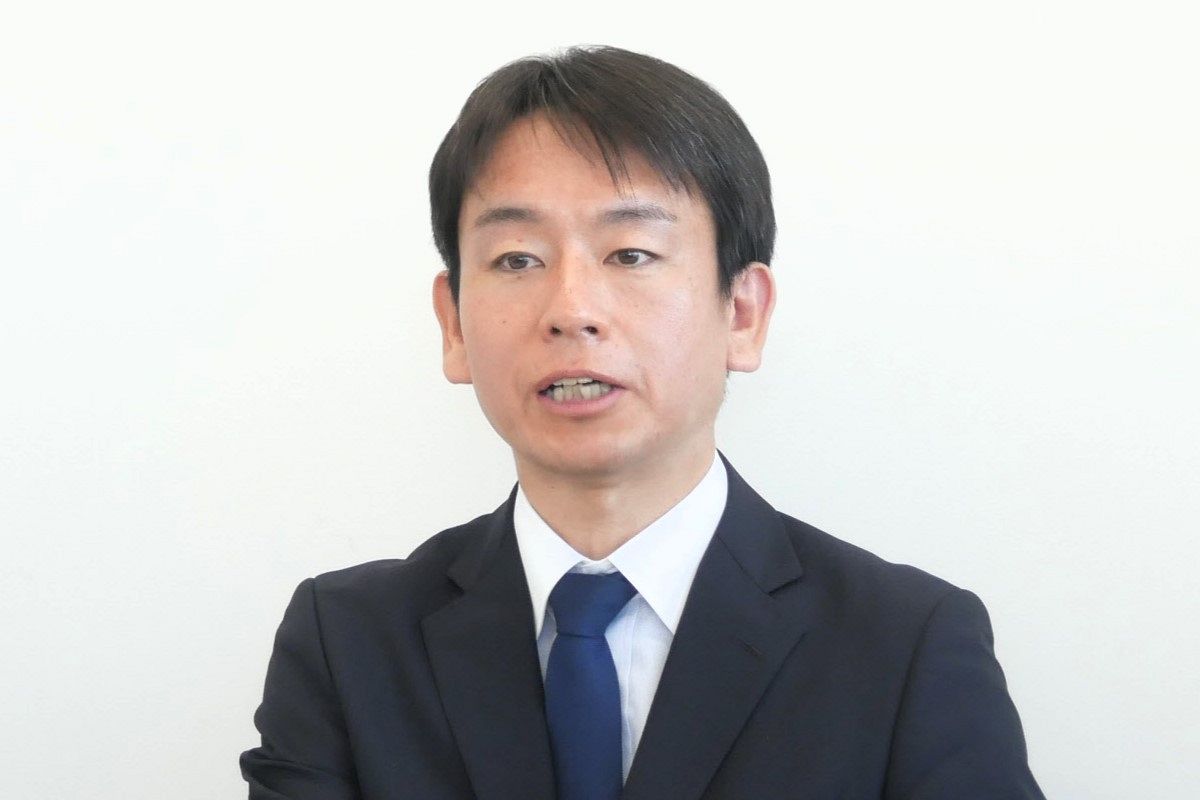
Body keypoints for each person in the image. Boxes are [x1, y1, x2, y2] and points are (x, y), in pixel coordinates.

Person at [240, 45, 1045, 799]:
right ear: (453, 324)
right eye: (517, 259)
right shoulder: (349, 644)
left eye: (630, 254)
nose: (572, 309)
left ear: (742, 313)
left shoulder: (905, 646)